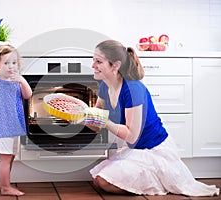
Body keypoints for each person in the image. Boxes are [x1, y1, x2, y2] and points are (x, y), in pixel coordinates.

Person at [83, 40, 220, 196]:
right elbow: (95, 125)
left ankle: (156, 180)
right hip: (134, 150)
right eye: (93, 60)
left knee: (104, 181)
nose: (93, 65)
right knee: (98, 180)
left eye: (98, 62)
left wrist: (104, 121)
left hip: (153, 150)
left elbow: (131, 135)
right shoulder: (105, 85)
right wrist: (81, 115)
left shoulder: (133, 89)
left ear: (115, 66)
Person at [0, 44, 32, 196]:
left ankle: (3, 183)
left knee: (10, 157)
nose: (11, 67)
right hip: (2, 125)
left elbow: (28, 95)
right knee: (5, 158)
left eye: (14, 63)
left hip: (14, 125)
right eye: (6, 63)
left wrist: (22, 80)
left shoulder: (17, 82)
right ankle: (5, 187)